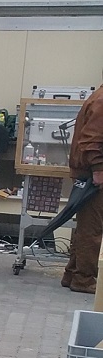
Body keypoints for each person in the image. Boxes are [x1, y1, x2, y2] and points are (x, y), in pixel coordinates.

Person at [64, 84, 103, 294]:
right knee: (92, 229)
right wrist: (98, 169)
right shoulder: (102, 101)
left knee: (85, 226)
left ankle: (72, 273)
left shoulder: (98, 96)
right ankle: (84, 279)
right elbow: (91, 139)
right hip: (92, 174)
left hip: (87, 172)